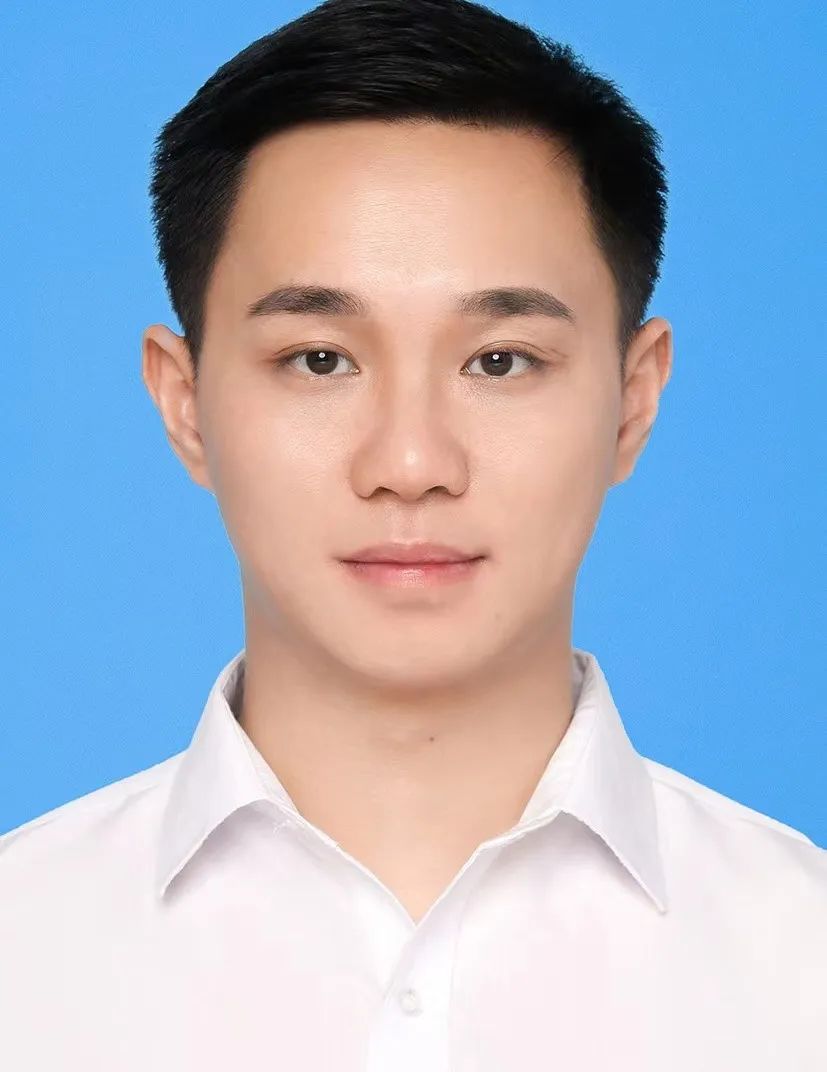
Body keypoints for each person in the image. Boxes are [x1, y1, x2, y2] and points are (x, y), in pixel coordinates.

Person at [2, 0, 824, 1068]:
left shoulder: (799, 957)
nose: (408, 462)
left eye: (499, 361)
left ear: (632, 400)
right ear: (184, 403)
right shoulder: (23, 947)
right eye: (318, 359)